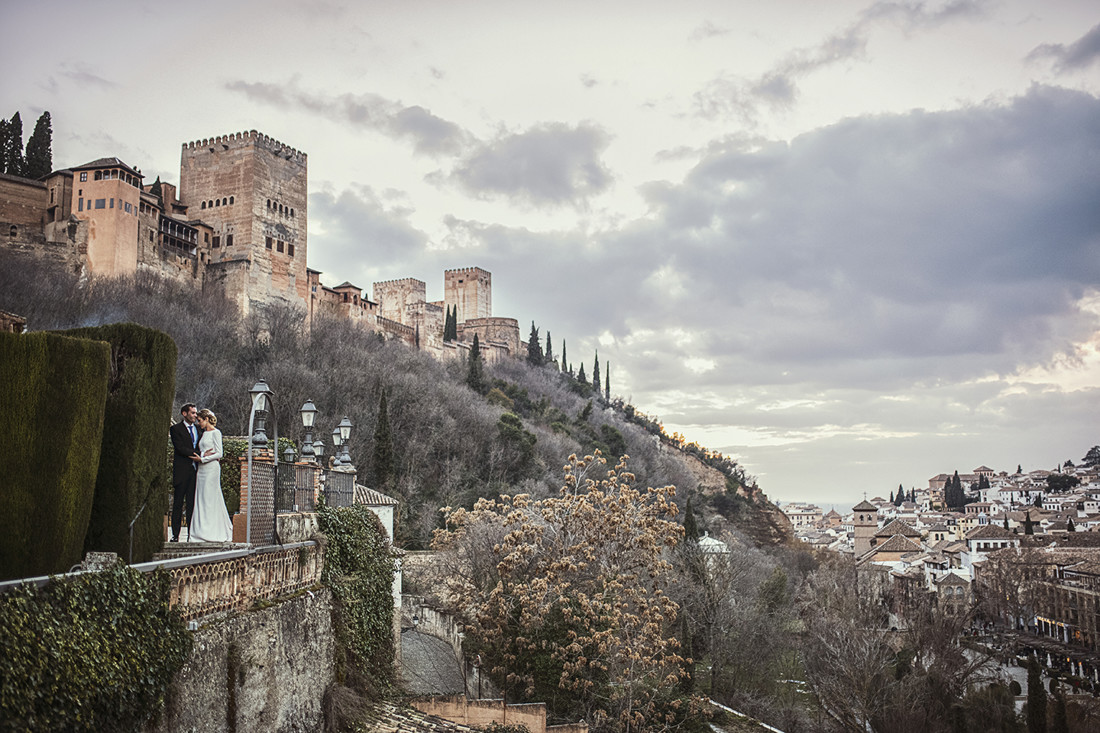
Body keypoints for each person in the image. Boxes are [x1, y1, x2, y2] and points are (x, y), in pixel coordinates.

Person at [188, 409, 234, 543]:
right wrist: (202, 457)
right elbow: (203, 451)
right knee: (201, 498)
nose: (199, 423)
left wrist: (203, 459)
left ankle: (212, 531)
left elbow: (219, 453)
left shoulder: (216, 433)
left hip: (211, 469)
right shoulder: (203, 434)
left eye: (200, 420)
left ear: (206, 419)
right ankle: (200, 531)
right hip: (201, 470)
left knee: (210, 498)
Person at [169, 403, 200, 542]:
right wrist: (197, 454)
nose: (195, 415)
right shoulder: (176, 429)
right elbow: (180, 448)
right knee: (178, 504)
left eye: (195, 413)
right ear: (184, 413)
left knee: (192, 504)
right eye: (192, 413)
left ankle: (191, 534)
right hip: (182, 471)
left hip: (195, 472)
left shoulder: (199, 429)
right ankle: (175, 535)